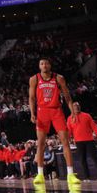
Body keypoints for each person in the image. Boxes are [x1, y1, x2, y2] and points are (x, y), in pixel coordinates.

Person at [29, 58, 81, 186]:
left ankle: (70, 174)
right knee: (40, 144)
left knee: (65, 141)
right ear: (39, 66)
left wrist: (72, 112)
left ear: (50, 65)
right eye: (41, 63)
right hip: (42, 111)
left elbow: (67, 96)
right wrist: (32, 113)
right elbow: (31, 97)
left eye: (46, 63)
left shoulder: (59, 78)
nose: (44, 65)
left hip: (56, 111)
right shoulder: (34, 78)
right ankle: (40, 174)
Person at [67, 102, 97, 180]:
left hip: (89, 140)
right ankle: (86, 177)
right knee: (82, 160)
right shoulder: (70, 118)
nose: (76, 108)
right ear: (72, 108)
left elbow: (93, 126)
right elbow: (69, 131)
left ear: (80, 107)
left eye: (78, 106)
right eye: (75, 106)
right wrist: (68, 139)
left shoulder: (87, 115)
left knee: (95, 157)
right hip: (78, 142)